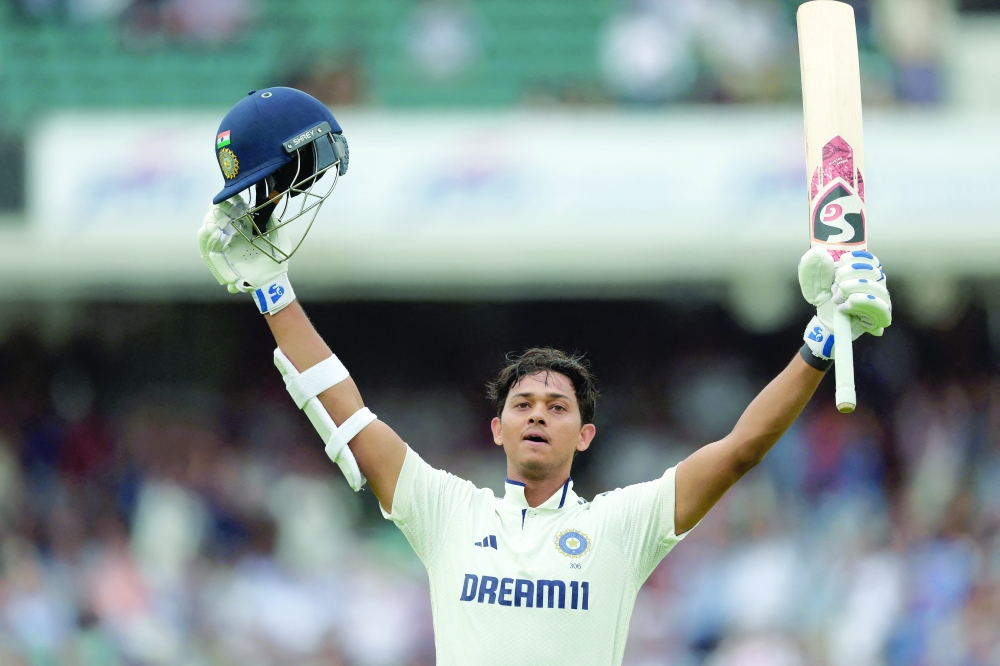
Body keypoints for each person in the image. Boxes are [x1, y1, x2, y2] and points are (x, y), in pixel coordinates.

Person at [197, 87, 892, 665]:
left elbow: (741, 448)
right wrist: (273, 293)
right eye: (523, 403)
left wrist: (820, 340)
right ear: (495, 428)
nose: (537, 413)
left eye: (556, 406)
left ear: (586, 435)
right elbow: (347, 419)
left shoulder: (623, 527)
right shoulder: (450, 514)